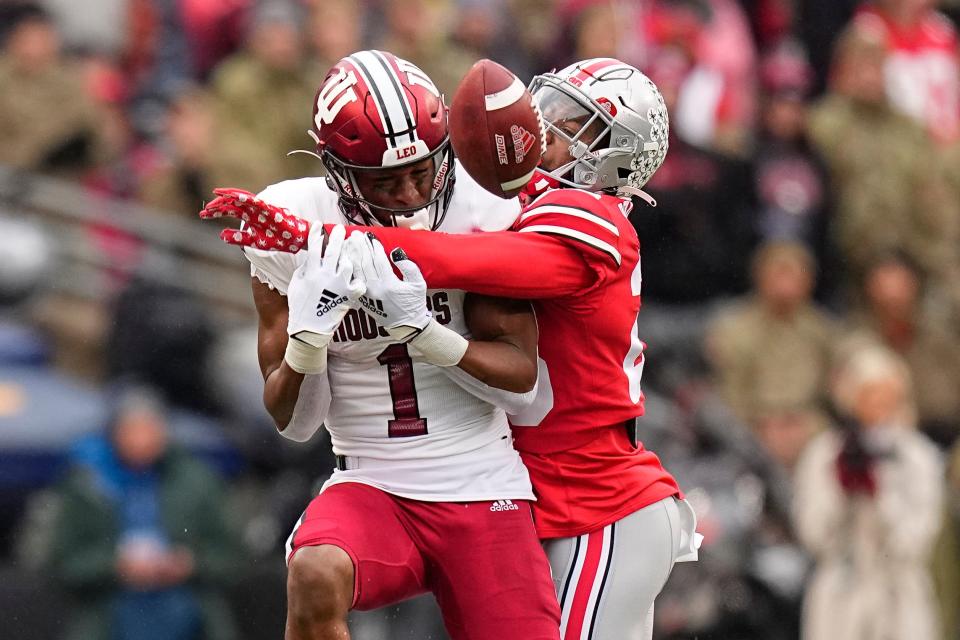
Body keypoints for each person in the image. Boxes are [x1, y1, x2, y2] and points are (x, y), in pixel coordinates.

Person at [209, 56, 701, 640]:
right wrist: (309, 337)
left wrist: (360, 262)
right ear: (337, 170)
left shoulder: (570, 217)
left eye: (576, 125)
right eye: (384, 181)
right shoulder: (294, 212)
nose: (412, 196)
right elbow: (295, 423)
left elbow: (520, 377)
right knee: (315, 573)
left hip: (584, 495)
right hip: (398, 479)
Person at [47, 387, 239, 640]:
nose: (141, 440)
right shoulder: (87, 485)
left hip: (187, 619)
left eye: (150, 429)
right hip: (111, 620)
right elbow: (62, 564)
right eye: (131, 430)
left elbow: (232, 556)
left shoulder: (197, 481)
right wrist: (114, 565)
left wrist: (189, 563)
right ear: (113, 433)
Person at [792, 345, 943, 640]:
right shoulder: (824, 453)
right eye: (869, 396)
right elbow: (813, 535)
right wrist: (842, 491)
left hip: (899, 596)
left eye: (887, 396)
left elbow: (914, 543)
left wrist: (880, 493)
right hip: (840, 596)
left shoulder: (916, 456)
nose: (879, 407)